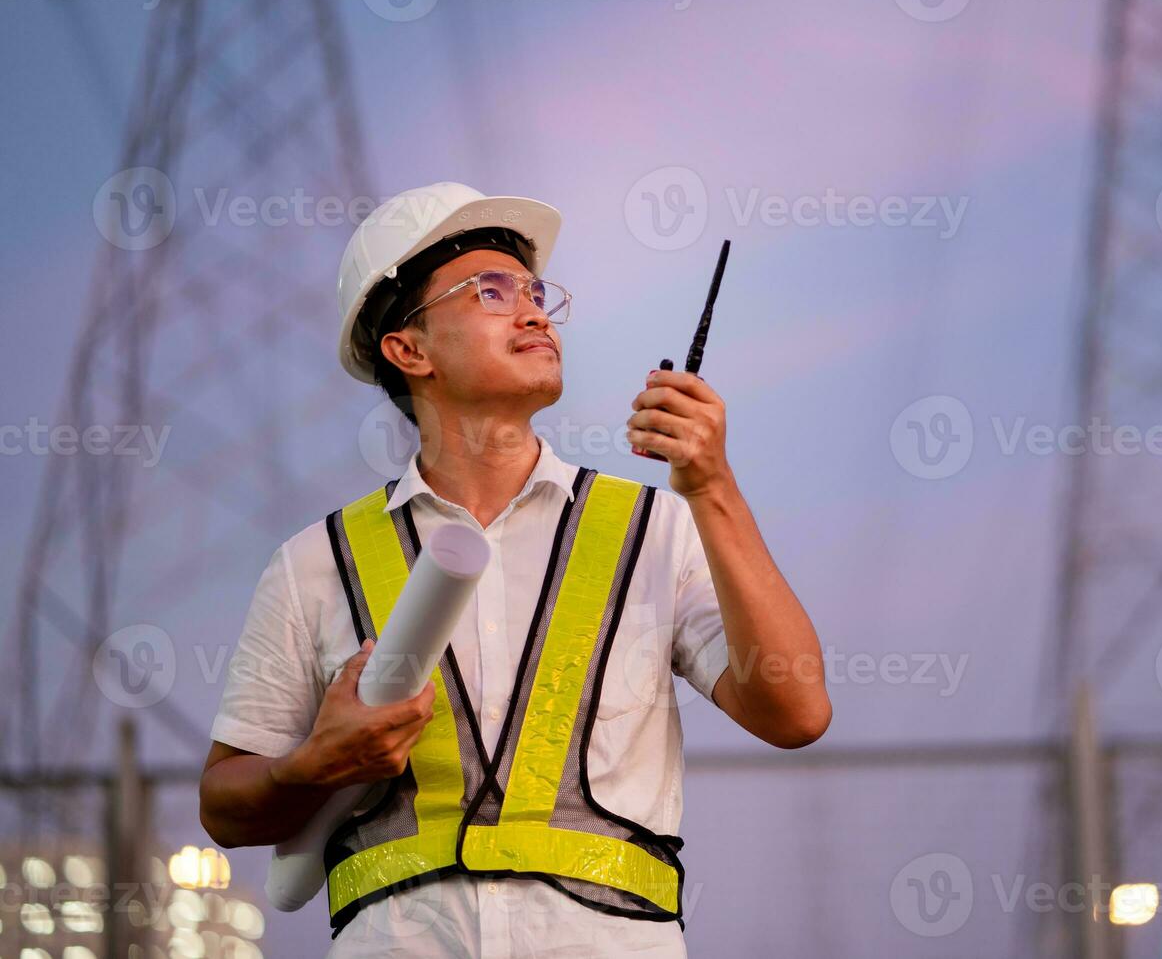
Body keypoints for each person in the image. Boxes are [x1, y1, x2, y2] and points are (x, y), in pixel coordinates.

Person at [198, 183, 831, 958]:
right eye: (491, 292)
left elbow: (795, 713)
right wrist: (309, 767)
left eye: (537, 293)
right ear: (409, 349)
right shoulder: (315, 564)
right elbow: (225, 807)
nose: (535, 313)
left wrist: (713, 489)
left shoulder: (654, 529)